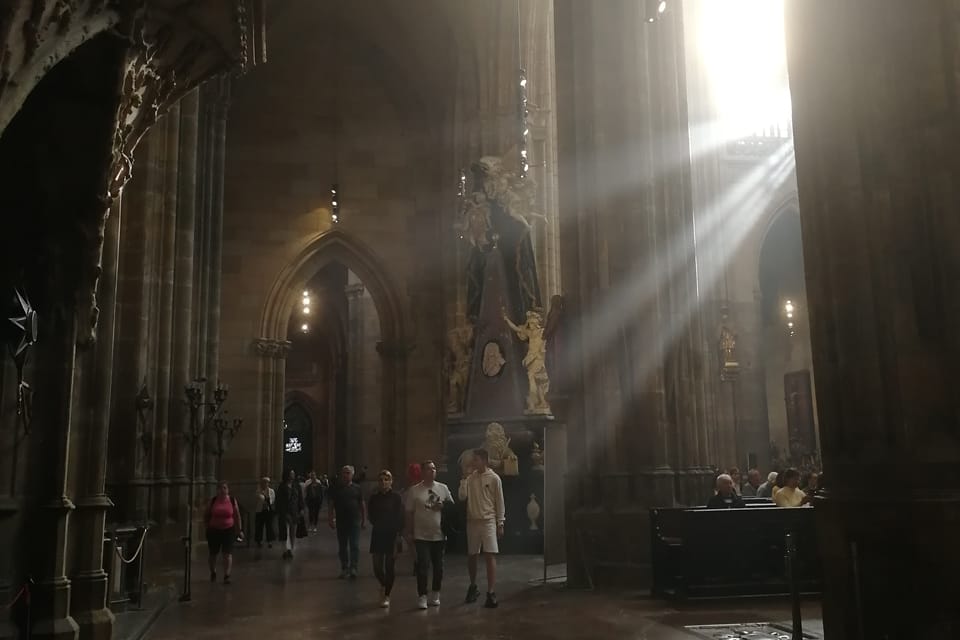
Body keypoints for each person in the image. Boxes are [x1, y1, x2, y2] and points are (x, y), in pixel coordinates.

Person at [458, 448, 505, 609]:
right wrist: (464, 479)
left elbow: (500, 501)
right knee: (472, 555)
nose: (473, 463)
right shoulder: (470, 478)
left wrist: (500, 522)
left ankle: (491, 592)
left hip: (488, 521)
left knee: (490, 555)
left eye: (476, 460)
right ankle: (473, 586)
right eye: (473, 460)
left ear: (484, 460)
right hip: (472, 521)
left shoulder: (494, 478)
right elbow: (462, 496)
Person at [405, 459, 454, 609]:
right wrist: (409, 532)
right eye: (429, 469)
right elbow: (409, 512)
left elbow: (452, 507)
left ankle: (436, 593)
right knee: (423, 566)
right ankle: (422, 595)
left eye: (434, 469)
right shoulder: (414, 490)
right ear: (423, 472)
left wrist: (443, 506)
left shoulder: (443, 488)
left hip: (439, 535)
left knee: (438, 567)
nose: (432, 471)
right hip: (421, 535)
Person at [368, 470, 404, 608]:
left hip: (392, 535)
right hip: (377, 534)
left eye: (386, 479)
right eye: (381, 479)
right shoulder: (374, 498)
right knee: (377, 566)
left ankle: (387, 594)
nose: (383, 482)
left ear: (391, 481)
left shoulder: (396, 497)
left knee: (389, 566)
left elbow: (400, 517)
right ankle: (384, 584)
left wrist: (398, 536)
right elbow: (371, 515)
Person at [328, 465, 366, 578]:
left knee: (354, 545)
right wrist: (331, 519)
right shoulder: (336, 488)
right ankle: (344, 567)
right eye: (344, 473)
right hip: (341, 521)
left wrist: (364, 520)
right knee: (342, 546)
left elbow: (362, 504)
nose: (345, 475)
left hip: (354, 521)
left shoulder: (357, 488)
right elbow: (331, 505)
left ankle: (353, 567)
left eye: (348, 473)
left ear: (352, 474)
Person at [205, 482, 242, 584]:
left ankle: (227, 575)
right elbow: (207, 514)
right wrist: (207, 526)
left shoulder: (232, 500)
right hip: (214, 530)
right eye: (220, 488)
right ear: (217, 490)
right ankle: (213, 571)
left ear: (228, 489)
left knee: (227, 554)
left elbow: (237, 515)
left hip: (228, 530)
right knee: (213, 554)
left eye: (225, 488)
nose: (222, 490)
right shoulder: (213, 501)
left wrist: (239, 530)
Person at [276, 469, 304, 559]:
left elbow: (300, 498)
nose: (293, 475)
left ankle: (291, 549)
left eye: (293, 473)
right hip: (285, 512)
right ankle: (285, 549)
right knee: (285, 531)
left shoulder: (297, 486)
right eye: (291, 473)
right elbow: (278, 500)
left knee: (293, 532)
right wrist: (279, 511)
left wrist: (301, 508)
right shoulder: (282, 486)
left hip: (294, 511)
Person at [253, 476, 276, 548]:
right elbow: (259, 498)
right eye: (264, 482)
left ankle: (270, 541)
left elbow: (273, 499)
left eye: (267, 483)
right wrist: (263, 496)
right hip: (260, 510)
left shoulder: (271, 491)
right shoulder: (258, 490)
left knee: (269, 526)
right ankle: (259, 541)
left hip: (268, 511)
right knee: (259, 526)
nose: (265, 484)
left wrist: (268, 499)